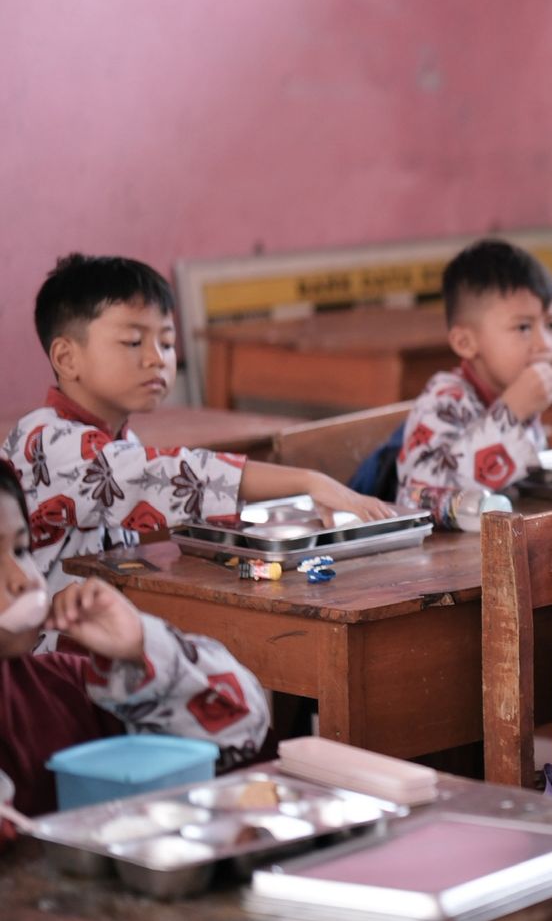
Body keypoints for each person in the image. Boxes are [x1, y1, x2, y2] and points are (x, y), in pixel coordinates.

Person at [5, 254, 392, 596]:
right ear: (66, 358)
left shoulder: (120, 440)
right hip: (43, 656)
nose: (157, 359)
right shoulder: (44, 442)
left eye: (168, 343)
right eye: (133, 342)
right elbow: (162, 476)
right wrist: (308, 481)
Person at [0, 460, 271, 824]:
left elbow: (245, 734)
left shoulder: (62, 689)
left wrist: (144, 647)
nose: (22, 580)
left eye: (19, 550)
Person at [397, 238, 552, 504]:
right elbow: (419, 492)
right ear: (465, 343)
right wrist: (510, 412)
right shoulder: (444, 399)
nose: (545, 344)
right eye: (523, 328)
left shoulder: (515, 393)